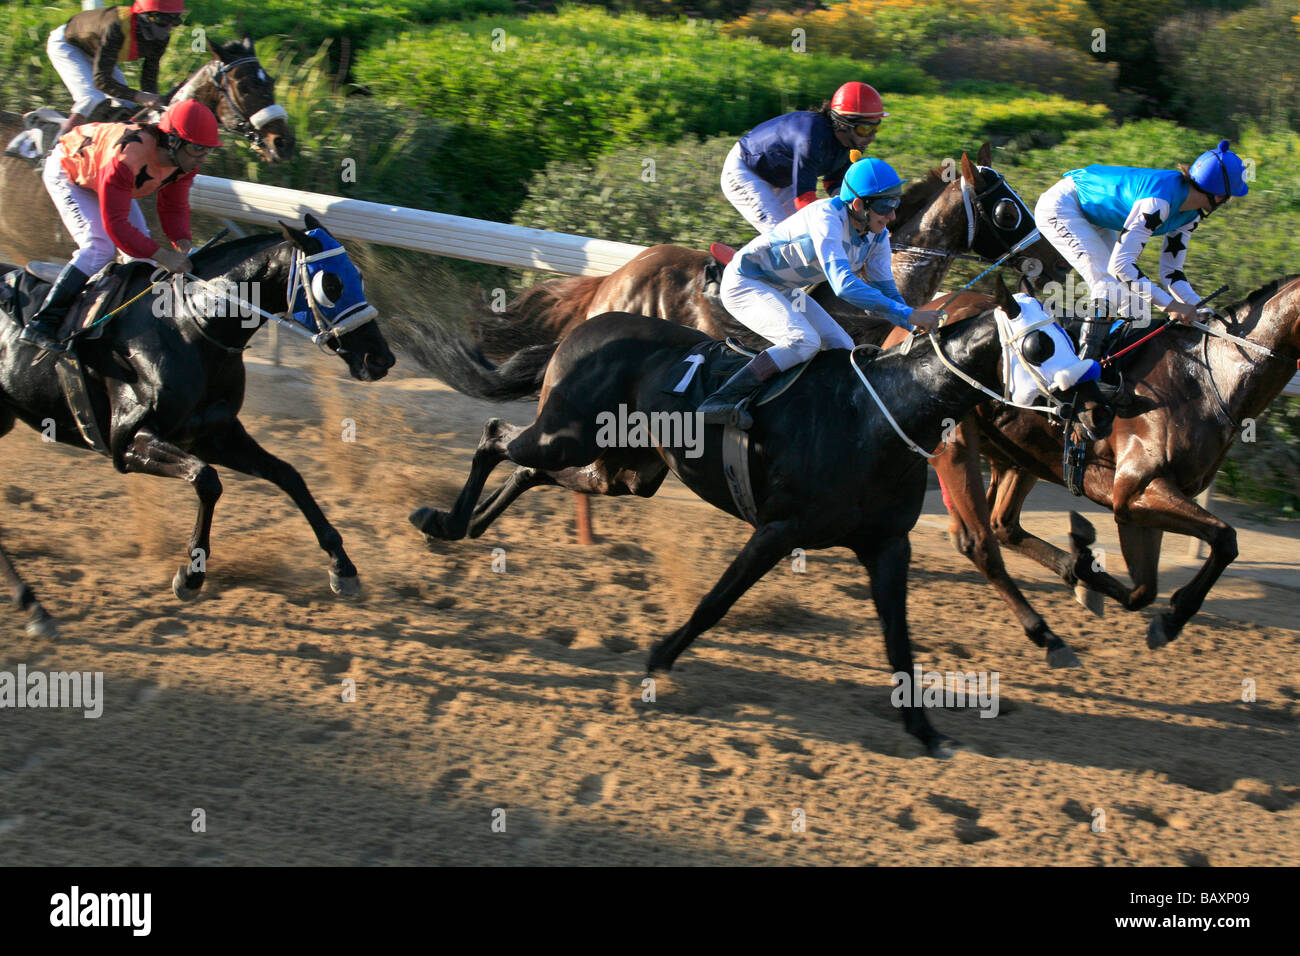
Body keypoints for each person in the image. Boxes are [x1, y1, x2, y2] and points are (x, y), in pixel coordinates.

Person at [698, 158, 943, 426]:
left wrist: (913, 324)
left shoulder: (877, 236)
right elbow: (843, 285)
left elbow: (889, 295)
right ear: (859, 204)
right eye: (885, 206)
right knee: (803, 340)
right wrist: (908, 314)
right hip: (744, 283)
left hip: (781, 288)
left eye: (896, 205)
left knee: (844, 349)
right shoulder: (826, 217)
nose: (892, 216)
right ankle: (721, 399)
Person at [21, 99, 222, 354]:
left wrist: (182, 244)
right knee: (99, 247)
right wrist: (163, 256)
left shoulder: (185, 162)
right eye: (196, 149)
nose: (202, 157)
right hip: (69, 170)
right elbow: (115, 226)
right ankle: (42, 323)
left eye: (207, 150)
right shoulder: (128, 157)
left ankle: (125, 330)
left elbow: (173, 206)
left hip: (99, 174)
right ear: (172, 141)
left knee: (142, 261)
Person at [1034, 140, 1249, 361]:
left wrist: (1197, 306)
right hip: (1063, 206)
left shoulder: (1191, 214)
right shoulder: (1157, 203)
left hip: (1095, 216)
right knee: (1108, 282)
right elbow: (1120, 266)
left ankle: (1116, 369)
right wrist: (1171, 306)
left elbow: (1171, 272)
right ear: (1220, 197)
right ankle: (1084, 365)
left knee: (1135, 306)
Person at [720, 81, 888, 235]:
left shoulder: (853, 142)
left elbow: (833, 184)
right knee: (786, 235)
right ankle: (746, 266)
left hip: (781, 179)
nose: (872, 137)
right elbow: (804, 201)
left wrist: (855, 213)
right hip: (745, 171)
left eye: (876, 128)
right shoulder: (811, 140)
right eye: (865, 129)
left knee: (805, 234)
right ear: (843, 123)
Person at [46, 1, 185, 134]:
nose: (169, 27)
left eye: (175, 20)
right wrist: (140, 96)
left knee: (126, 105)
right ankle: (55, 151)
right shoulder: (117, 27)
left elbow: (149, 78)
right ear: (146, 16)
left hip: (95, 48)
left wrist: (153, 105)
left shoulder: (161, 38)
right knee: (92, 99)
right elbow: (101, 81)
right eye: (164, 20)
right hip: (68, 44)